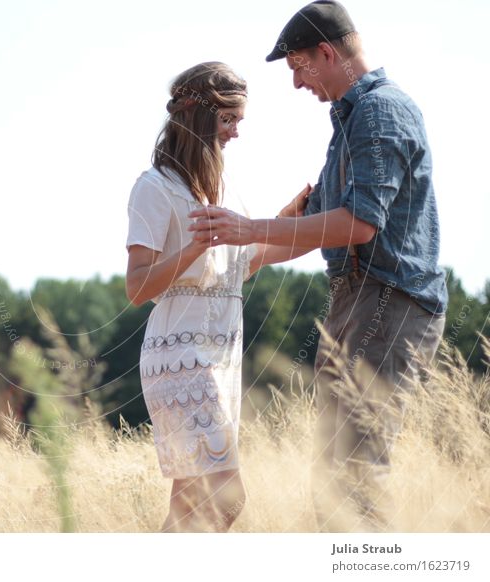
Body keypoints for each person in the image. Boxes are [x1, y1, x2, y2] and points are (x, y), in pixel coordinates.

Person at [188, 0, 448, 531]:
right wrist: (251, 252)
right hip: (359, 299)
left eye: (297, 68)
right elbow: (317, 224)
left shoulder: (381, 111)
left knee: (353, 475)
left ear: (326, 53)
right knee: (335, 476)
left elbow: (358, 225)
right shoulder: (352, 123)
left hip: (387, 299)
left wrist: (252, 227)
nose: (296, 84)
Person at [125, 61, 308, 532]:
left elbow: (243, 265)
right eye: (229, 120)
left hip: (222, 359)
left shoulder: (223, 190)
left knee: (187, 508)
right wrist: (193, 248)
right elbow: (137, 287)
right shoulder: (154, 188)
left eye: (239, 121)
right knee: (225, 497)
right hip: (180, 360)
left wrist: (289, 219)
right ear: (198, 116)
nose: (235, 133)